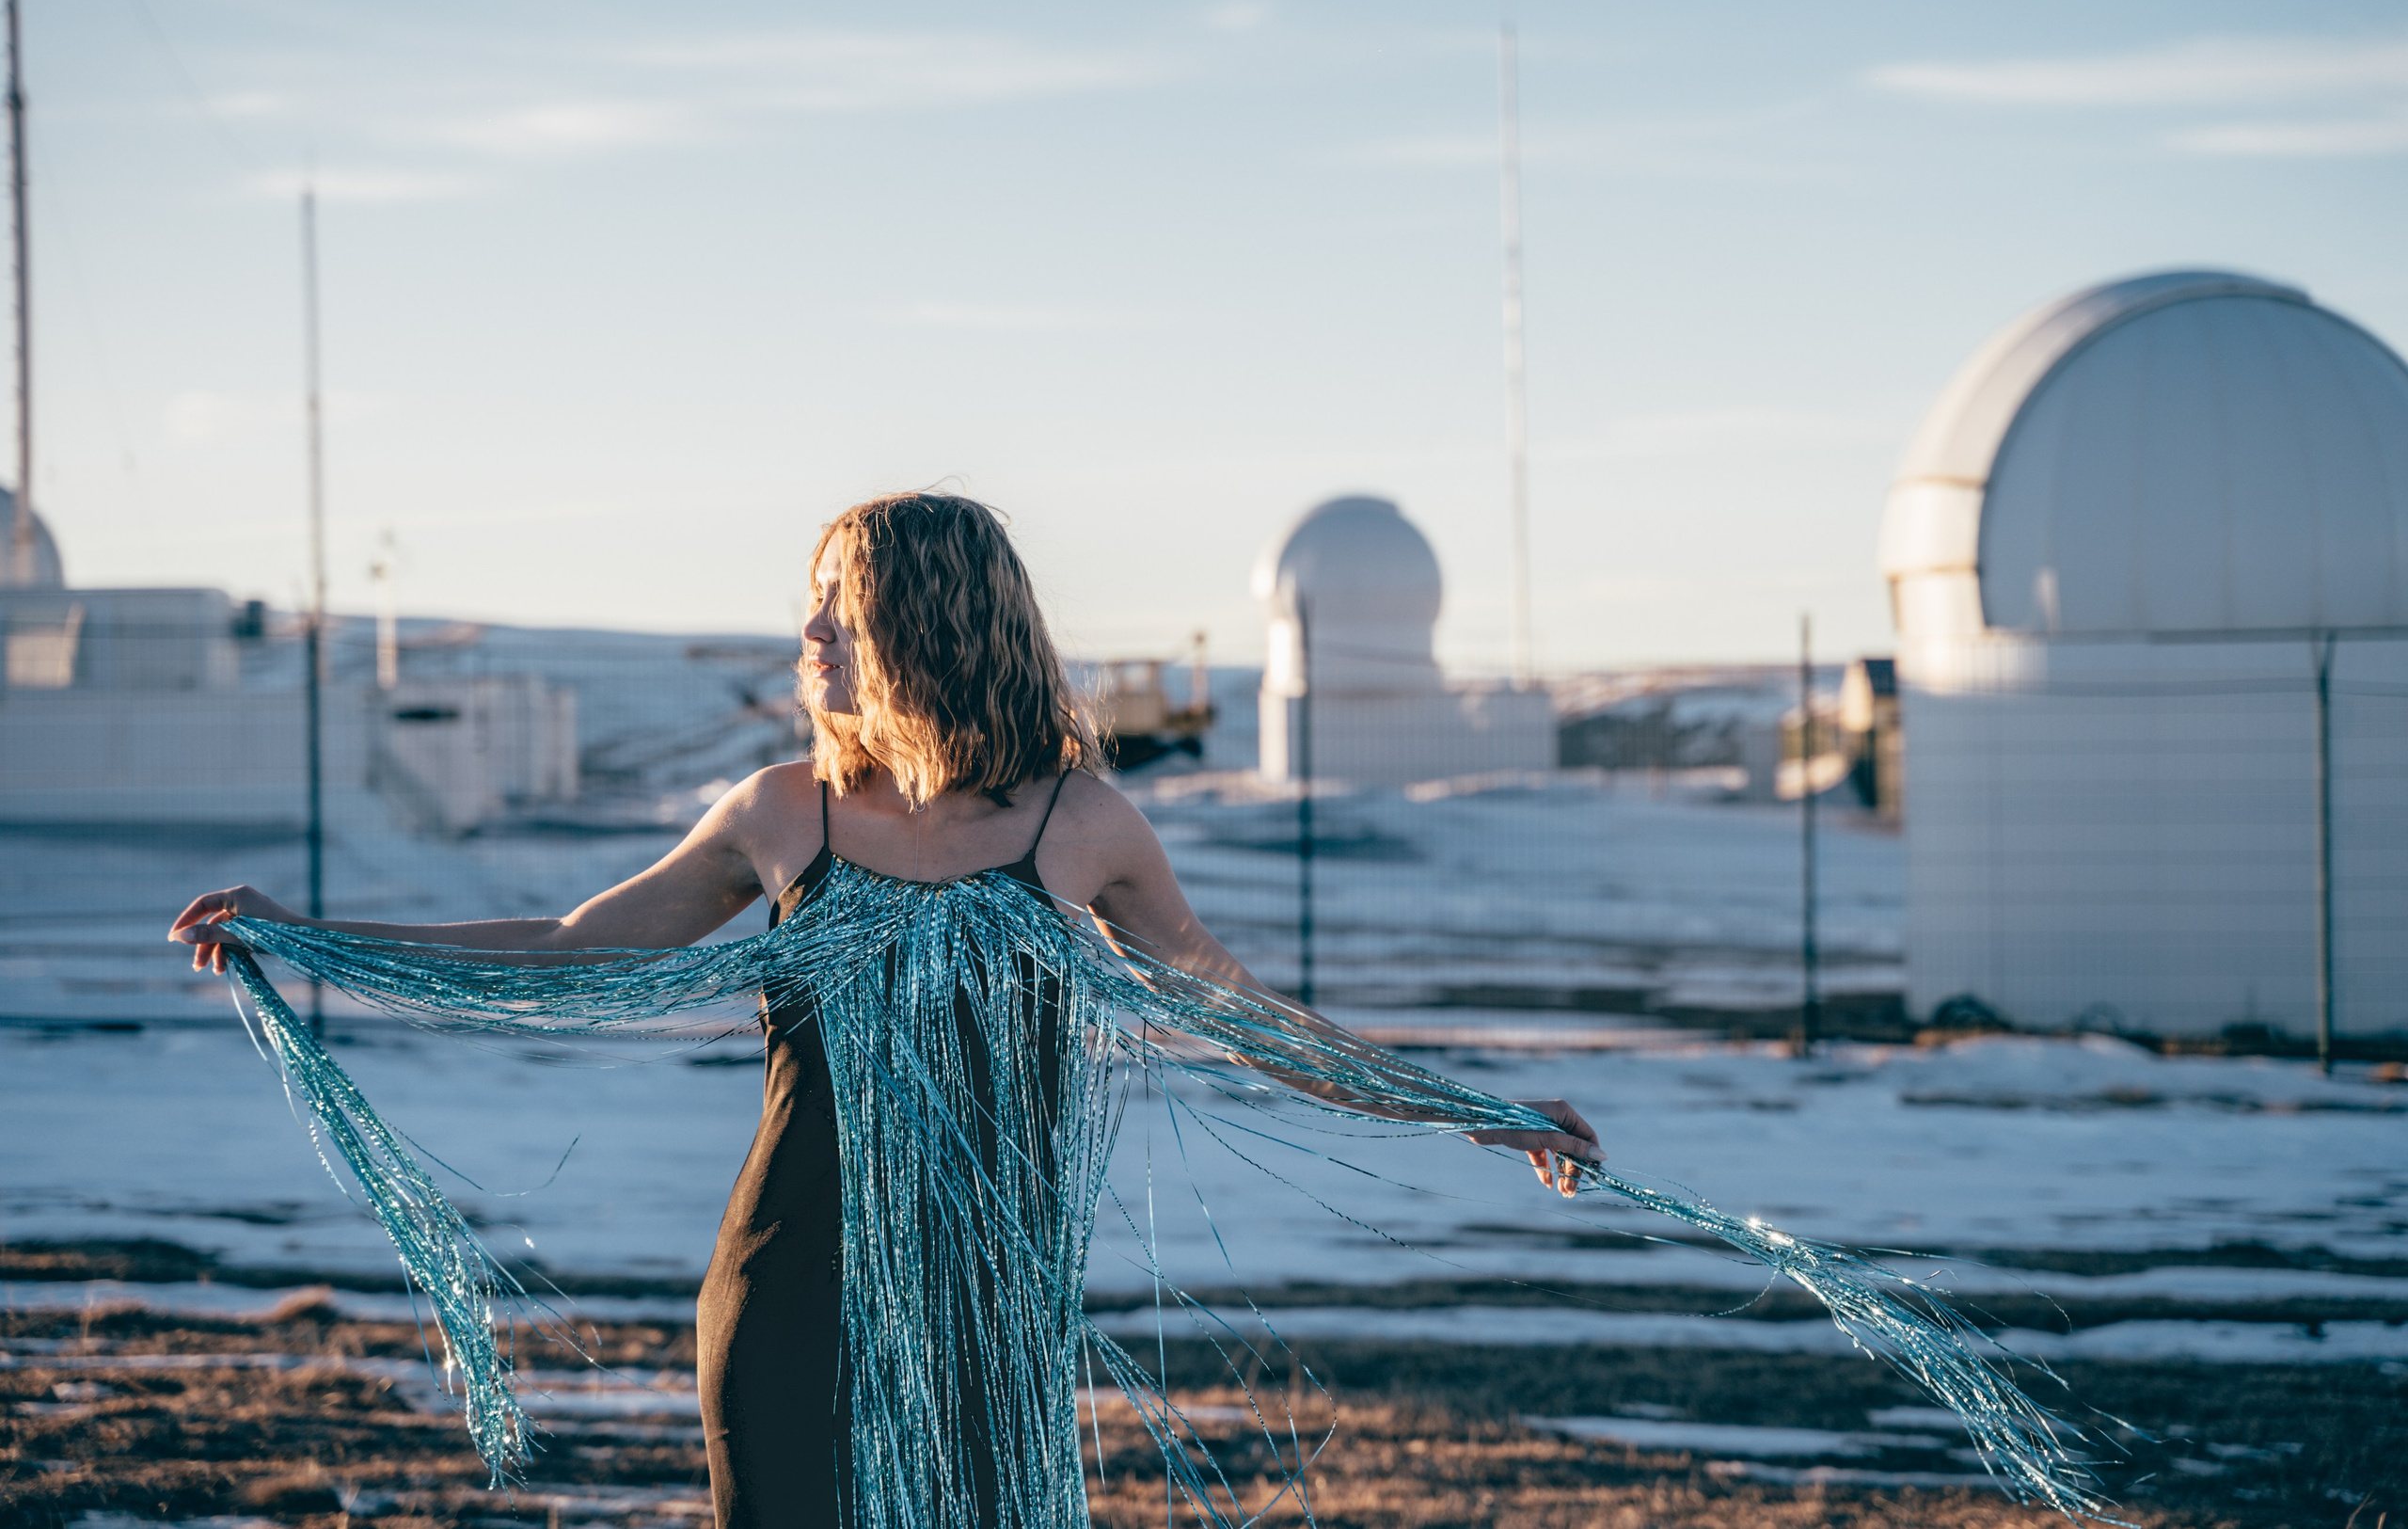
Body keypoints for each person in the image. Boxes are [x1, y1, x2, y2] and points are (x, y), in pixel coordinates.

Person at [172, 491, 1602, 1529]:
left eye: (834, 606)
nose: (806, 634)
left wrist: (1475, 1112)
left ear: (920, 623)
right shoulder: (783, 814)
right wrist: (314, 941)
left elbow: (1245, 1014)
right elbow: (568, 946)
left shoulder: (1080, 824)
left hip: (984, 1303)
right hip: (787, 1285)